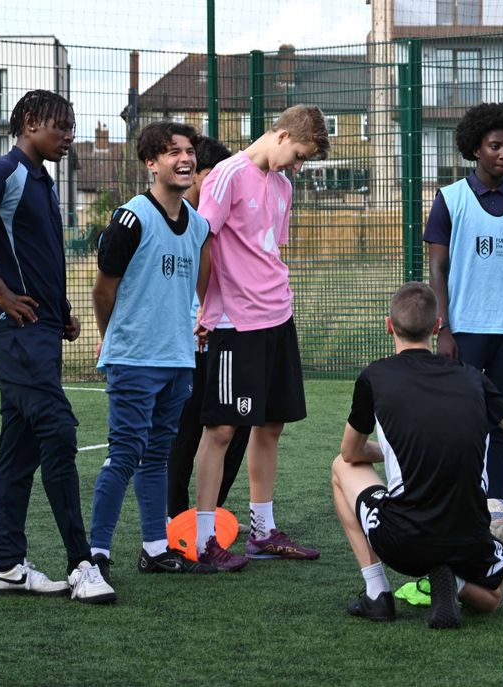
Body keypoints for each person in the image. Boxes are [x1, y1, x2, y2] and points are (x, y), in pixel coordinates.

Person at [0, 90, 114, 603]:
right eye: (62, 126)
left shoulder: (42, 180)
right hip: (10, 332)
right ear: (31, 122)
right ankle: (83, 564)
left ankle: (8, 567)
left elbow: (33, 254)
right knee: (58, 429)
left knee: (21, 450)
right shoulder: (5, 170)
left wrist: (60, 315)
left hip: (39, 331)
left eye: (74, 127)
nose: (70, 136)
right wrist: (0, 290)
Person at [332, 282, 503, 628]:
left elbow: (350, 451)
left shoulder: (375, 377)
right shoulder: (473, 378)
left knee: (341, 466)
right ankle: (454, 580)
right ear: (436, 326)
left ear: (389, 326)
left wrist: (391, 453)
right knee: (492, 599)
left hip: (405, 543)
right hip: (469, 538)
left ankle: (377, 593)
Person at [191, 104, 331, 569]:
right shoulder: (226, 176)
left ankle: (262, 531)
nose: (298, 166)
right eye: (298, 154)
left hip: (277, 316)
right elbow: (201, 243)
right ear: (282, 133)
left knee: (272, 423)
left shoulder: (284, 186)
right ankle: (205, 538)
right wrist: (200, 309)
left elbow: (266, 250)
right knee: (223, 429)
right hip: (234, 323)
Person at [89, 121, 219, 579]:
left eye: (189, 151)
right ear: (151, 163)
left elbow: (197, 288)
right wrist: (112, 336)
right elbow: (103, 290)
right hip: (134, 357)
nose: (185, 159)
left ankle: (155, 548)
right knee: (124, 454)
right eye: (172, 152)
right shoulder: (131, 217)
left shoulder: (199, 224)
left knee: (158, 455)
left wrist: (195, 323)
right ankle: (97, 556)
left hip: (178, 359)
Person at [424, 102, 503, 501]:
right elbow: (437, 269)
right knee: (461, 423)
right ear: (475, 148)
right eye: (495, 145)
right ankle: (457, 504)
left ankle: (497, 512)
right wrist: (442, 328)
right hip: (464, 330)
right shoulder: (451, 199)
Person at [166, 135, 249, 519]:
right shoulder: (169, 218)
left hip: (227, 337)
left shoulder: (224, 222)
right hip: (185, 346)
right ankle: (174, 516)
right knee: (184, 432)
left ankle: (210, 512)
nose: (221, 186)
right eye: (213, 177)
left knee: (238, 425)